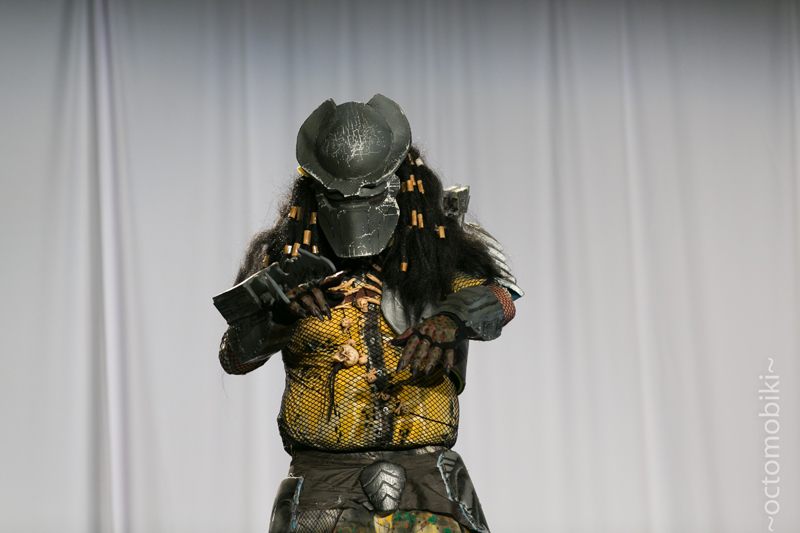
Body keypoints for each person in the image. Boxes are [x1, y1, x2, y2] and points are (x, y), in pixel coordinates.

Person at [214, 94, 521, 533]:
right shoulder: (283, 264)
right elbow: (234, 355)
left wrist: (450, 319)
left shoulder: (437, 255)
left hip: (427, 480)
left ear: (400, 185)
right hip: (323, 485)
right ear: (315, 192)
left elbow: (501, 299)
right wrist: (279, 316)